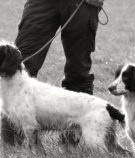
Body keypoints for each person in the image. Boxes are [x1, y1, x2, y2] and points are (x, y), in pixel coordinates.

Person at [1, 0, 104, 146]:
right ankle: (12, 145)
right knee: (15, 63)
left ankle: (72, 145)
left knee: (78, 74)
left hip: (83, 3)